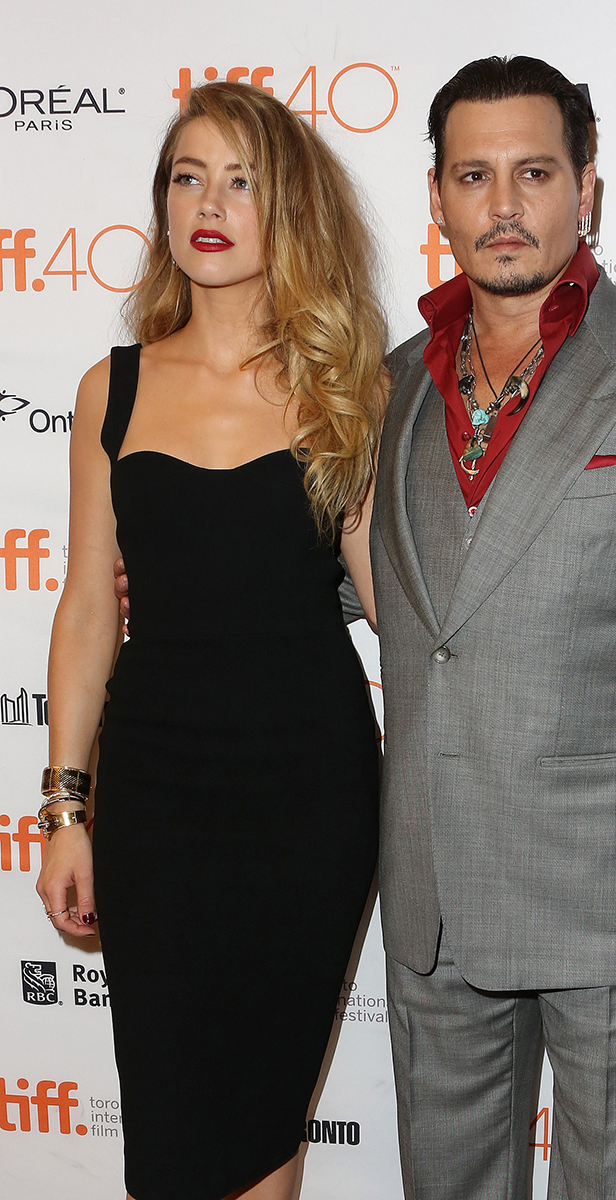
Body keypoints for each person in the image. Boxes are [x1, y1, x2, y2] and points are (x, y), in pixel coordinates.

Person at [369, 57, 616, 1198]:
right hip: (433, 884)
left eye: (534, 173)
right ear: (437, 196)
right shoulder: (393, 385)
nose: (503, 206)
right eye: (473, 176)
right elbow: (389, 589)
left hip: (615, 897)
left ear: (585, 187)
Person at [35, 81, 385, 1200]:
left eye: (241, 180)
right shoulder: (114, 387)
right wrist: (65, 811)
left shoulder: (350, 388)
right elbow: (88, 608)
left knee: (262, 1123)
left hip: (310, 792)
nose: (210, 203)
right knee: (174, 1132)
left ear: (290, 208)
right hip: (157, 798)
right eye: (188, 177)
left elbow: (394, 604)